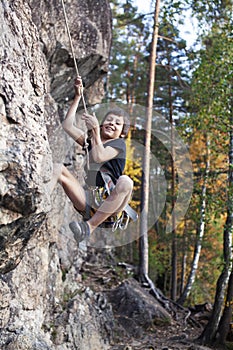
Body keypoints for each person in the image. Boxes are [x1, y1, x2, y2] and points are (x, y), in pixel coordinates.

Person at [58, 76, 134, 244]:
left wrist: (95, 132)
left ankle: (89, 228)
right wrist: (78, 96)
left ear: (122, 132)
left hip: (109, 207)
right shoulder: (91, 141)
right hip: (90, 200)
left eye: (118, 123)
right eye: (109, 120)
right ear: (101, 123)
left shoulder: (119, 144)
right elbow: (68, 126)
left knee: (126, 181)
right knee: (57, 169)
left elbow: (99, 156)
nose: (112, 123)